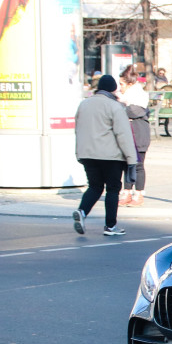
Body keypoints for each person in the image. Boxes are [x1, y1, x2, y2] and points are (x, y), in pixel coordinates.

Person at [72, 74, 138, 237]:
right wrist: (131, 158)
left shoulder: (84, 104)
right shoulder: (115, 107)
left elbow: (78, 129)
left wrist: (79, 152)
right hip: (111, 155)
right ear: (113, 89)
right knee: (113, 189)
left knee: (94, 186)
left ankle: (82, 211)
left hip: (88, 154)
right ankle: (110, 226)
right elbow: (123, 135)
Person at [117, 65, 151, 207]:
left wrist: (121, 104)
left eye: (122, 84)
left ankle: (138, 193)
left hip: (138, 136)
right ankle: (127, 191)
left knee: (137, 165)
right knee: (126, 164)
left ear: (130, 84)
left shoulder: (137, 96)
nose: (120, 88)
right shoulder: (128, 98)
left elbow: (132, 111)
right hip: (129, 136)